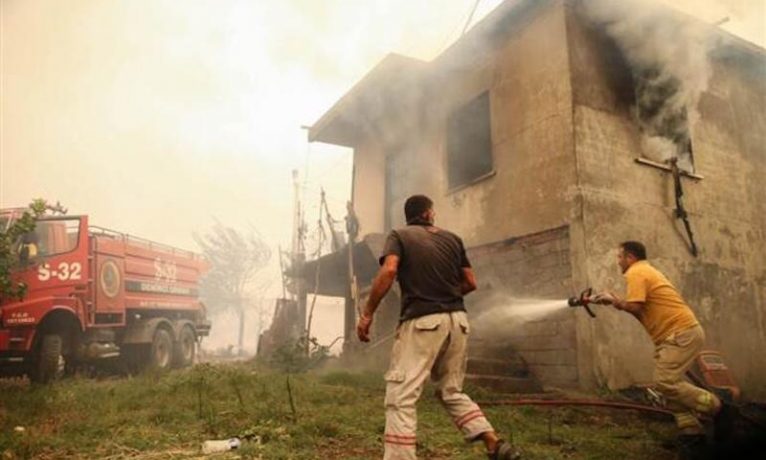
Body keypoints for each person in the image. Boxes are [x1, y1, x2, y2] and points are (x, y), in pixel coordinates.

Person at [356, 195, 519, 460]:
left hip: (423, 322)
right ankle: (493, 442)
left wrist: (367, 314)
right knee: (451, 391)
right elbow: (470, 282)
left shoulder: (399, 235)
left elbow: (389, 271)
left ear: (409, 217)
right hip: (458, 322)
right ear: (430, 213)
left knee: (400, 396)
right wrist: (444, 294)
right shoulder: (453, 239)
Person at [593, 241, 727, 456]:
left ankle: (717, 407)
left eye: (619, 257)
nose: (618, 262)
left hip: (680, 334)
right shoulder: (646, 271)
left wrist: (615, 302)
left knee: (665, 382)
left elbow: (635, 306)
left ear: (629, 257)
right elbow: (639, 310)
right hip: (675, 335)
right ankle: (691, 432)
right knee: (671, 384)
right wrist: (613, 301)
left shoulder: (636, 272)